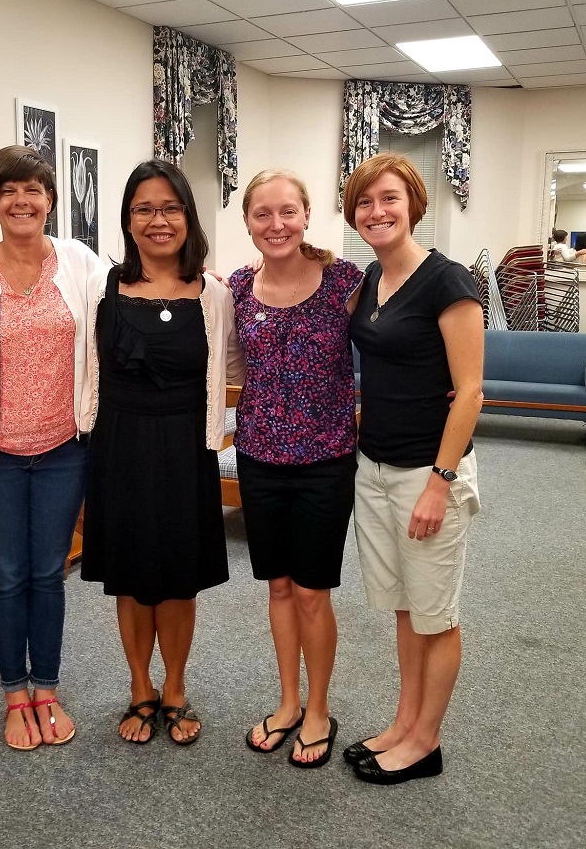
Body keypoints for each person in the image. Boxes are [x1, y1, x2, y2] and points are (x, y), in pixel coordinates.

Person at [81, 160, 244, 745]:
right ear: (127, 220)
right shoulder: (102, 288)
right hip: (120, 446)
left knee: (177, 579)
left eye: (170, 208)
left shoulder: (215, 294)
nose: (158, 220)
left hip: (185, 448)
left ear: (188, 217)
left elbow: (244, 362)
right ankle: (139, 688)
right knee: (131, 578)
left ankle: (174, 688)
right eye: (144, 209)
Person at [0, 146, 105, 751]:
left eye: (34, 190)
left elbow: (126, 303)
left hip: (64, 448)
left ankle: (46, 687)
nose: (22, 201)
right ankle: (13, 694)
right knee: (6, 574)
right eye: (10, 190)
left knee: (48, 573)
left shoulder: (78, 262)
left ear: (50, 200)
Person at [342, 152, 484, 785]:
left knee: (437, 614)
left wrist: (439, 482)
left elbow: (472, 391)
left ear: (414, 205)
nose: (378, 211)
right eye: (366, 202)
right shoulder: (368, 281)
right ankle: (403, 723)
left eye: (390, 199)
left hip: (428, 476)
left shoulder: (447, 282)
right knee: (405, 610)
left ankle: (426, 743)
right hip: (373, 469)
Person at [230, 170, 362, 767]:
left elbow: (399, 336)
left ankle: (318, 709)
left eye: (287, 211)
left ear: (307, 214)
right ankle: (287, 703)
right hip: (258, 457)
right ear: (249, 222)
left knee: (312, 591)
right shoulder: (236, 288)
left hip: (325, 461)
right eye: (263, 214)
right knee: (278, 587)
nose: (276, 224)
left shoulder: (345, 282)